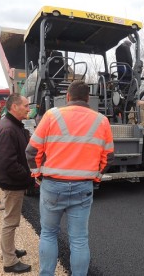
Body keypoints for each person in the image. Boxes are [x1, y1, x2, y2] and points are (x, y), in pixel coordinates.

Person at [26, 80, 114, 276]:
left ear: (67, 97)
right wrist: (97, 177)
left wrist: (38, 174)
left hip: (52, 185)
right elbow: (108, 156)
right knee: (79, 239)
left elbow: (31, 151)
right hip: (83, 187)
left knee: (48, 234)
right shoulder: (102, 121)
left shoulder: (51, 115)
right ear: (87, 99)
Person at [0, 93, 32, 274]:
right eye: (25, 105)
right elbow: (9, 163)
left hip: (11, 181)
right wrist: (28, 177)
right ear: (14, 107)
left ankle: (8, 250)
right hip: (12, 183)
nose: (28, 108)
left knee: (11, 219)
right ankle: (9, 261)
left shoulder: (13, 125)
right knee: (11, 221)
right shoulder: (8, 129)